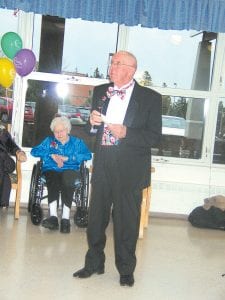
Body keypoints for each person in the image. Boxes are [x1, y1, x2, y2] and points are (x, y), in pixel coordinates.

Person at [73, 51, 162, 286]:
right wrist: (91, 124)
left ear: (131, 69)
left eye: (117, 63)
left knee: (126, 222)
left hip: (130, 169)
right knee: (96, 219)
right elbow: (93, 130)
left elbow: (154, 137)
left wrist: (127, 133)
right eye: (111, 63)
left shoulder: (151, 98)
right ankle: (94, 263)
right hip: (103, 163)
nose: (111, 67)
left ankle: (126, 270)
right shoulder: (101, 91)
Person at [31, 116, 92, 233]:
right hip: (51, 169)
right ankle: (53, 217)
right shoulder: (49, 141)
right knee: (53, 177)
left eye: (61, 131)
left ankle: (65, 218)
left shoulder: (77, 142)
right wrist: (51, 155)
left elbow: (87, 155)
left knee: (68, 178)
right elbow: (35, 151)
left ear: (67, 129)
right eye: (56, 131)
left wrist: (69, 158)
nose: (59, 134)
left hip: (70, 169)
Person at [0, 124, 27, 207]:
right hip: (3, 169)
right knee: (4, 175)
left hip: (6, 162)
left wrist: (19, 152)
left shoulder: (2, 132)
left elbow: (11, 145)